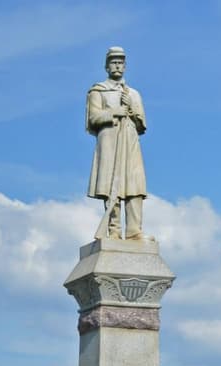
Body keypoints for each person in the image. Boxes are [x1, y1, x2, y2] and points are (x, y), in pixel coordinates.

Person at [87, 46, 148, 240]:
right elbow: (92, 118)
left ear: (125, 66)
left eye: (120, 62)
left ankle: (134, 230)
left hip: (129, 141)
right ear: (107, 66)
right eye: (113, 62)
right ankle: (113, 230)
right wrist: (114, 112)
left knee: (134, 185)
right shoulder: (98, 91)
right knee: (110, 185)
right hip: (109, 140)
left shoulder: (134, 94)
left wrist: (130, 110)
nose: (117, 66)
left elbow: (141, 124)